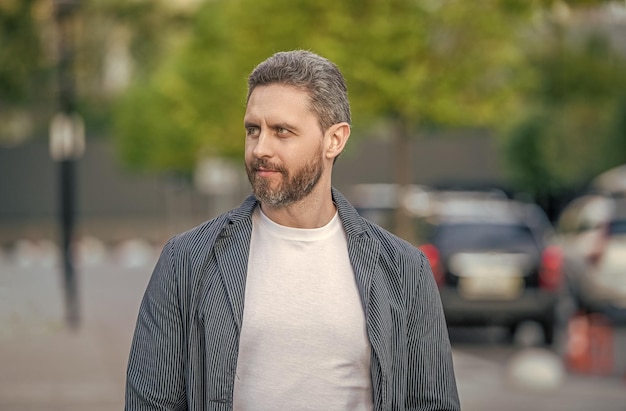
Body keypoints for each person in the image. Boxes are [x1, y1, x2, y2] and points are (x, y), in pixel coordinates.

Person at [125, 50, 460, 411]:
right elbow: (150, 402)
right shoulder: (188, 260)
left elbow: (432, 402)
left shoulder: (403, 268)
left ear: (335, 140)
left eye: (281, 131)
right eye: (253, 130)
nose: (260, 149)